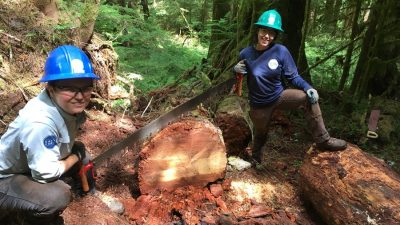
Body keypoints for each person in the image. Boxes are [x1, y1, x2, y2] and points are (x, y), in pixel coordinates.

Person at [233, 9, 347, 164]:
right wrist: (236, 71)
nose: (267, 36)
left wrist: (308, 88)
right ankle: (256, 159)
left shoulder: (280, 51)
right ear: (258, 30)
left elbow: (293, 76)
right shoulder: (246, 53)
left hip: (279, 96)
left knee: (307, 98)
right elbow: (239, 80)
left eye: (271, 33)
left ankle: (323, 140)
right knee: (260, 133)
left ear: (275, 36)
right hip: (259, 104)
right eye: (264, 30)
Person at [0, 45, 98, 224]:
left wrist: (78, 154)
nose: (80, 96)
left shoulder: (66, 107)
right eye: (69, 88)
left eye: (85, 88)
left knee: (82, 153)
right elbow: (46, 174)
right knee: (56, 196)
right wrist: (75, 156)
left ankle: (92, 199)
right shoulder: (39, 123)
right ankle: (22, 219)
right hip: (4, 179)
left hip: (29, 165)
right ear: (51, 88)